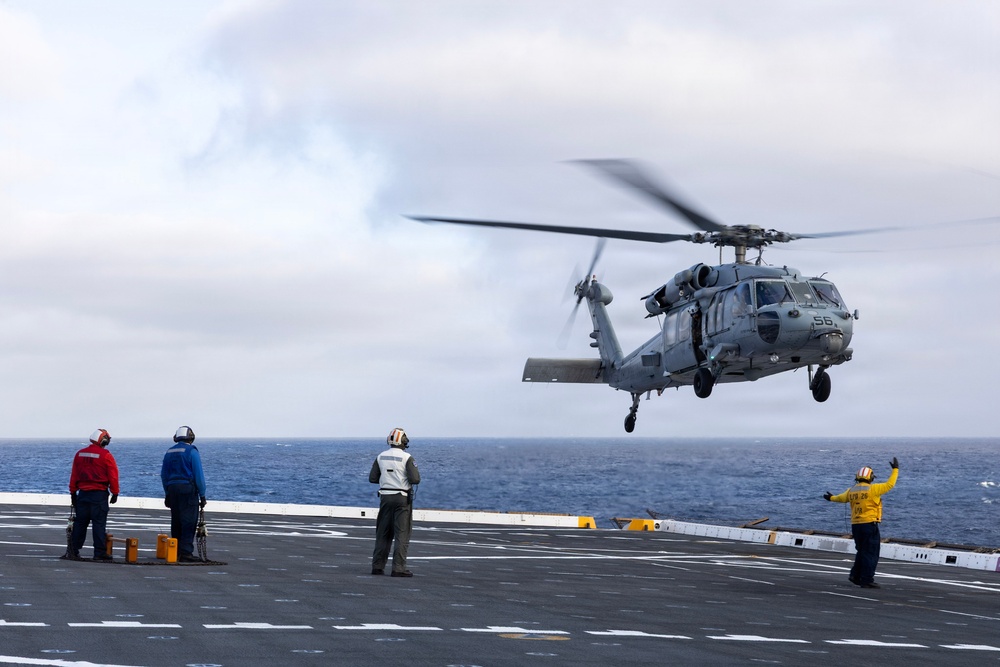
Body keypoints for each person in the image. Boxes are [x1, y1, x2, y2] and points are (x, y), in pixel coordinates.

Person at [824, 457, 899, 589]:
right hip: (869, 525)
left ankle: (855, 575)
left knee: (862, 551)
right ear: (871, 477)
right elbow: (890, 484)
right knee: (871, 553)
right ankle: (867, 579)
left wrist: (831, 498)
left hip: (856, 526)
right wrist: (895, 470)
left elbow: (840, 498)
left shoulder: (852, 491)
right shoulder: (873, 489)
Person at [370, 427, 421, 577]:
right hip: (401, 498)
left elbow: (373, 478)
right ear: (403, 441)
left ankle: (377, 566)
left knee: (383, 533)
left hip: (385, 497)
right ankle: (398, 568)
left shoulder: (380, 457)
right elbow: (415, 479)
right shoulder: (407, 458)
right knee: (402, 533)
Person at [67, 429, 120, 560]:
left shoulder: (79, 454)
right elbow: (113, 476)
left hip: (83, 494)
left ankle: (74, 550)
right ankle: (99, 553)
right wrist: (115, 493)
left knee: (80, 524)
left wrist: (73, 493)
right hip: (99, 495)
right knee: (99, 524)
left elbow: (74, 475)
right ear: (104, 440)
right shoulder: (106, 455)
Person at [161, 425, 207, 563]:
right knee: (188, 521)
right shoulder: (192, 451)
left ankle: (175, 550)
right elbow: (198, 475)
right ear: (191, 437)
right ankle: (186, 552)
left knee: (176, 520)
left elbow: (164, 475)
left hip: (173, 489)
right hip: (187, 490)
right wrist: (202, 495)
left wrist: (167, 493)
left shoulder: (169, 452)